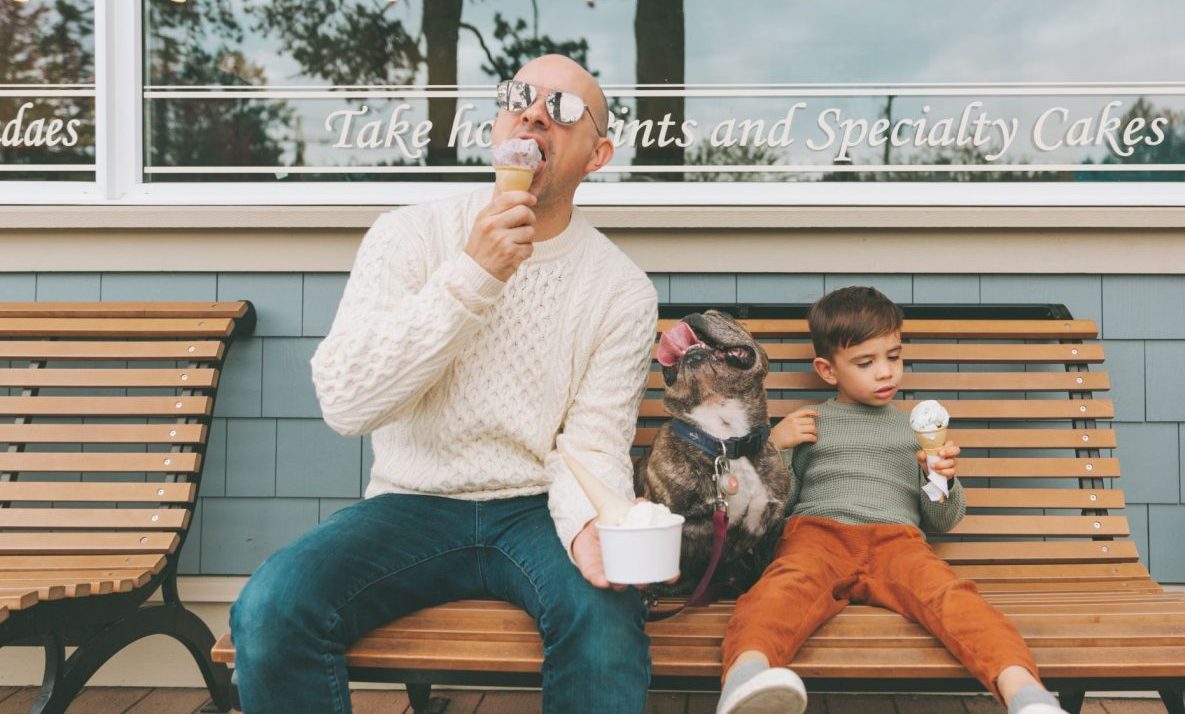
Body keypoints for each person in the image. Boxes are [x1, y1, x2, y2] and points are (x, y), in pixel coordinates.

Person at [228, 55, 660, 713]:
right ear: (498, 122)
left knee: (605, 627)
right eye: (520, 95)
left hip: (538, 507)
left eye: (563, 108)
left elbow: (591, 448)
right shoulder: (409, 235)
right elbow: (347, 401)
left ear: (596, 155)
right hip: (411, 503)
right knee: (272, 606)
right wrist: (473, 275)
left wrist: (587, 531)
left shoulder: (619, 288)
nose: (535, 112)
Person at [716, 286, 1067, 714]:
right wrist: (776, 445)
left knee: (953, 598)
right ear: (828, 371)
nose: (885, 373)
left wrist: (937, 477)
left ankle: (1025, 692)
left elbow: (942, 520)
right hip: (817, 536)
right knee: (781, 589)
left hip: (897, 541)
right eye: (866, 363)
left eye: (894, 356)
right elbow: (774, 509)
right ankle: (748, 677)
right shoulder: (810, 423)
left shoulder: (914, 432)